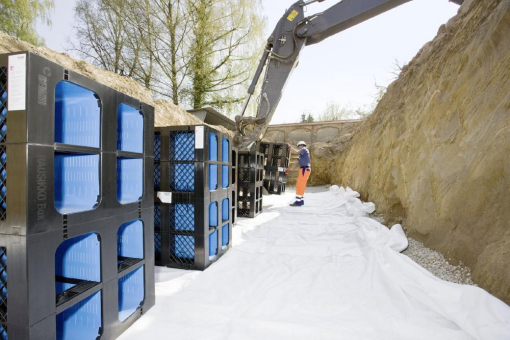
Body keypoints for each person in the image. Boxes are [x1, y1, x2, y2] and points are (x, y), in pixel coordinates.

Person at [285, 141, 311, 206]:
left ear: (301, 145)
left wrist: (290, 148)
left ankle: (298, 202)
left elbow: (296, 152)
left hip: (304, 169)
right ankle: (301, 200)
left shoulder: (304, 149)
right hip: (304, 170)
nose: (298, 148)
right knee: (300, 185)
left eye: (298, 146)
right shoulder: (301, 156)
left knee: (300, 185)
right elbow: (295, 163)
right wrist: (289, 170)